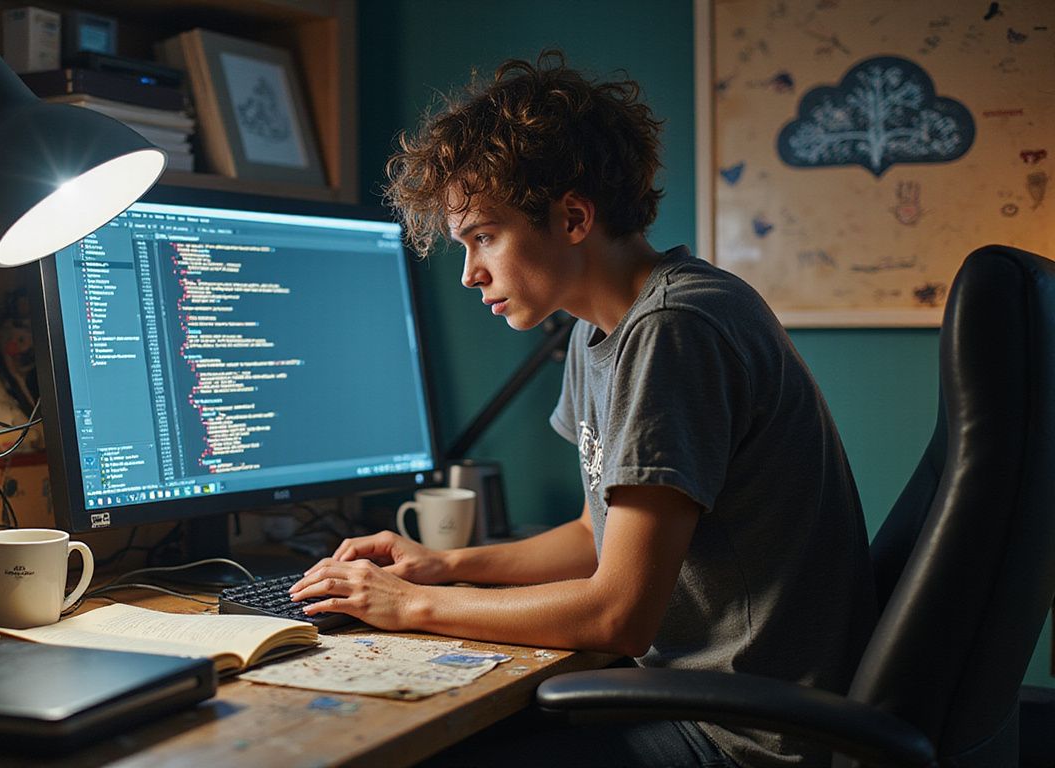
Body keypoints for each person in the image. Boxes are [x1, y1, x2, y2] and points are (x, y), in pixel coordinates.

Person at [289, 51, 877, 767]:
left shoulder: (673, 329)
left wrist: (408, 606)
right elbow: (595, 531)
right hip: (693, 697)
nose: (471, 273)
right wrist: (443, 566)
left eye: (484, 237)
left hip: (751, 737)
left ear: (572, 217)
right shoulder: (601, 330)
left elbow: (617, 616)